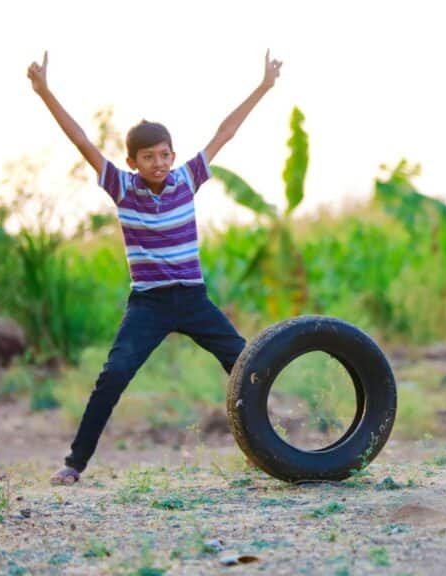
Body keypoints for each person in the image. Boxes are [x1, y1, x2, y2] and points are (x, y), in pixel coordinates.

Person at [27, 49, 283, 485]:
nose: (159, 163)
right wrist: (44, 91)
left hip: (194, 300)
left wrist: (263, 86)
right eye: (148, 157)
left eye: (164, 154)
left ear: (172, 154)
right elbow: (82, 141)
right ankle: (74, 464)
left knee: (246, 366)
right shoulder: (122, 188)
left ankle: (270, 449)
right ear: (133, 163)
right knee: (114, 376)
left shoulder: (187, 179)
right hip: (149, 305)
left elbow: (226, 131)